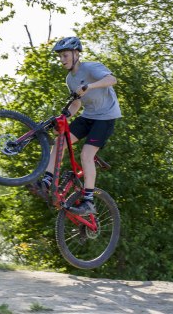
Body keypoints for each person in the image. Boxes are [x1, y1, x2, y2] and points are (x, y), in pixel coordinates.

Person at [29, 36, 122, 215]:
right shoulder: (70, 79)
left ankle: (88, 201)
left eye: (65, 56)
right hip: (88, 116)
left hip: (106, 117)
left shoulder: (90, 67)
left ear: (76, 53)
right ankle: (47, 182)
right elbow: (77, 103)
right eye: (60, 57)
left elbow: (112, 80)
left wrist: (89, 86)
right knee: (60, 141)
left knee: (86, 154)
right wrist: (64, 116)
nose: (62, 60)